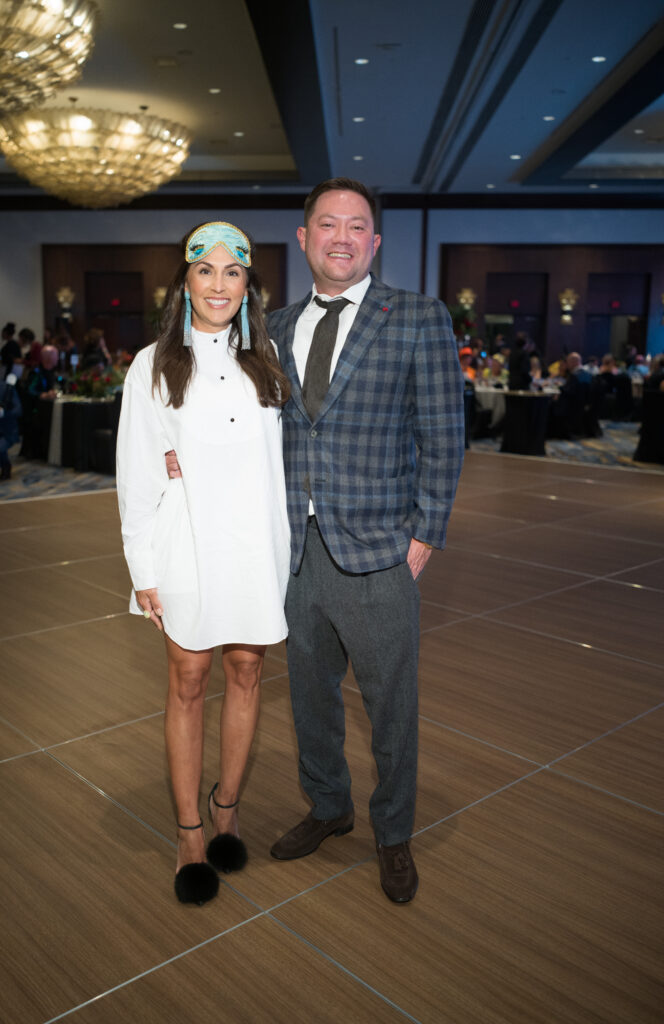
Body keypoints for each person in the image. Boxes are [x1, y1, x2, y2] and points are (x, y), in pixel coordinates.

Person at [265, 179, 464, 903]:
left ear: (374, 242)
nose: (341, 236)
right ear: (304, 238)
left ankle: (394, 832)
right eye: (327, 223)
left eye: (356, 225)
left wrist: (425, 535)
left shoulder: (416, 317)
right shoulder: (274, 326)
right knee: (310, 696)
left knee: (390, 705)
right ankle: (327, 806)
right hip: (294, 551)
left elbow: (444, 434)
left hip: (381, 548)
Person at [116, 221, 291, 907]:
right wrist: (142, 569)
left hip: (256, 546)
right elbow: (137, 472)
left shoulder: (268, 363)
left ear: (249, 285)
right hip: (184, 543)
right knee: (189, 679)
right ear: (184, 281)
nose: (219, 284)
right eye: (205, 270)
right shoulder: (152, 366)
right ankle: (190, 832)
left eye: (233, 272)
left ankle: (228, 809)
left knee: (247, 670)